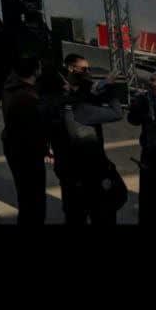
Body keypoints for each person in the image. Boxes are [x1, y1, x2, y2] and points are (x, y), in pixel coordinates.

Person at [45, 54, 124, 226]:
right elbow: (117, 113)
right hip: (89, 171)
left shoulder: (53, 102)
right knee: (101, 212)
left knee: (73, 212)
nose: (88, 72)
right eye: (84, 69)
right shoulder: (82, 109)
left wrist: (48, 147)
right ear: (71, 70)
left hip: (66, 169)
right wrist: (110, 88)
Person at [1, 55, 49, 225]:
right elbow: (34, 130)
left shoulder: (11, 88)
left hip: (13, 146)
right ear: (35, 71)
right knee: (34, 199)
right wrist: (45, 149)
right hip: (27, 152)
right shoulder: (28, 98)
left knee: (25, 195)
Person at [127, 71, 156, 225]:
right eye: (152, 80)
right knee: (147, 192)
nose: (154, 84)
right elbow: (132, 120)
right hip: (149, 152)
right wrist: (135, 107)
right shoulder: (143, 99)